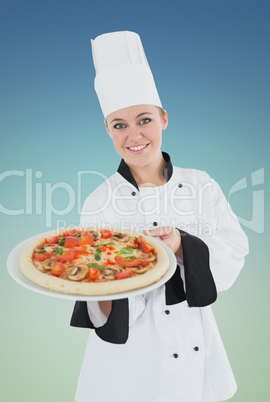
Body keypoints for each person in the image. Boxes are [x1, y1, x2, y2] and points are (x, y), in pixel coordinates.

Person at [70, 31, 249, 402]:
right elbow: (95, 288)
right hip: (128, 362)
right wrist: (119, 270)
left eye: (144, 120)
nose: (134, 135)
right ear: (107, 129)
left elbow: (234, 251)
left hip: (196, 350)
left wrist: (182, 245)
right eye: (119, 125)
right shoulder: (100, 201)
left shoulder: (201, 184)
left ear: (164, 119)